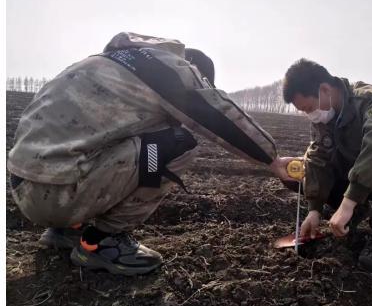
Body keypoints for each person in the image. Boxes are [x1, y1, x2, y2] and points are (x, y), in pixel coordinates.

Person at [7, 32, 294, 276]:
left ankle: (67, 229)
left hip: (24, 187)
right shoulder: (169, 69)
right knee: (178, 143)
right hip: (58, 195)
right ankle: (103, 242)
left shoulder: (106, 64)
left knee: (130, 139)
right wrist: (271, 159)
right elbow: (216, 112)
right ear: (193, 69)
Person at [282, 58, 372, 273]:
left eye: (309, 108)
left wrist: (348, 202)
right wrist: (314, 209)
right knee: (299, 169)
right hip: (359, 174)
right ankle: (359, 210)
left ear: (324, 89)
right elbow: (318, 158)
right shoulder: (324, 119)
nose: (310, 115)